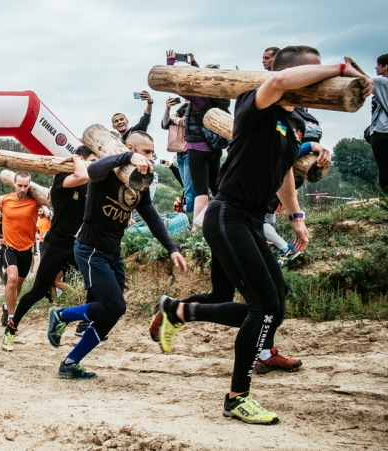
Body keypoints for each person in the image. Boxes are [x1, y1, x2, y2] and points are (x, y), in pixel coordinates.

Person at [154, 46, 371, 425]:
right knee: (264, 307)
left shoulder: (292, 123)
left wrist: (297, 215)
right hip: (227, 214)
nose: (322, 79)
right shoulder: (258, 101)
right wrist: (338, 66)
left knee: (276, 302)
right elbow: (281, 80)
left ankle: (179, 310)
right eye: (316, 72)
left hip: (251, 219)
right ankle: (237, 397)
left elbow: (285, 172)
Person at [45, 132, 187, 379]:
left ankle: (70, 362)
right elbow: (93, 169)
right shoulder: (106, 171)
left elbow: (152, 218)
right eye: (147, 151)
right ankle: (62, 315)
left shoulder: (139, 183)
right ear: (131, 148)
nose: (151, 157)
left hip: (112, 252)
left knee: (113, 312)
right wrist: (128, 156)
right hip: (90, 249)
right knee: (115, 305)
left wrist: (172, 248)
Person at [2, 145, 99, 351]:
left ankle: (82, 323)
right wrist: (76, 161)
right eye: (92, 160)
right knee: (38, 290)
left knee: (95, 280)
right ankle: (11, 327)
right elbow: (81, 176)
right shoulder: (62, 179)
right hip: (56, 243)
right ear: (81, 160)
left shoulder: (89, 185)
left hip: (77, 243)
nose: (94, 164)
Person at [167, 49, 231, 223]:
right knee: (216, 188)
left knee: (200, 190)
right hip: (215, 149)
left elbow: (176, 86)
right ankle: (225, 219)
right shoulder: (222, 99)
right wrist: (193, 65)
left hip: (198, 149)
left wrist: (170, 64)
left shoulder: (199, 100)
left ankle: (197, 227)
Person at [0, 171, 39, 327]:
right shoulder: (4, 200)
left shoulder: (35, 202)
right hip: (9, 247)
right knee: (12, 279)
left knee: (18, 285)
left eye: (25, 186)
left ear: (30, 185)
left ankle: (7, 307)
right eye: (19, 185)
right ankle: (11, 318)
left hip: (27, 249)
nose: (22, 189)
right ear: (13, 184)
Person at [358, 53, 388, 195]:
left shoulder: (382, 82)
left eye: (378, 65)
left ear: (386, 67)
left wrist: (351, 65)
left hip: (381, 129)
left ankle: (385, 198)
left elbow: (363, 79)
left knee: (383, 167)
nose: (376, 67)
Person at [161, 97, 194, 211]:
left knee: (190, 189)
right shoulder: (181, 110)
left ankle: (191, 220)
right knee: (186, 188)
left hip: (190, 151)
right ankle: (189, 218)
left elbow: (186, 122)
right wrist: (168, 108)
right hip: (180, 153)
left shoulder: (195, 108)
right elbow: (164, 124)